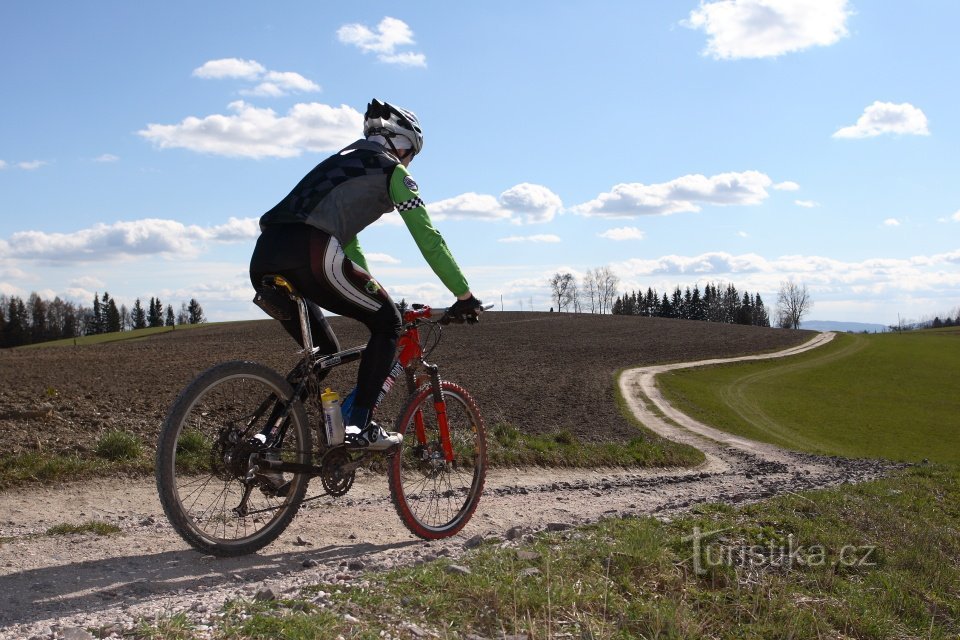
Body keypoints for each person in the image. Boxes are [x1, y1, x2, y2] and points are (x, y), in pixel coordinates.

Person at [249, 98, 482, 453]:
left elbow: (350, 245)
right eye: (412, 154)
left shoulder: (341, 163)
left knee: (323, 351)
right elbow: (429, 238)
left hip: (264, 254)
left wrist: (375, 290)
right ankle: (358, 424)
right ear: (401, 144)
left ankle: (266, 441)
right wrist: (464, 296)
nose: (409, 161)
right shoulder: (393, 172)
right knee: (388, 323)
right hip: (311, 249)